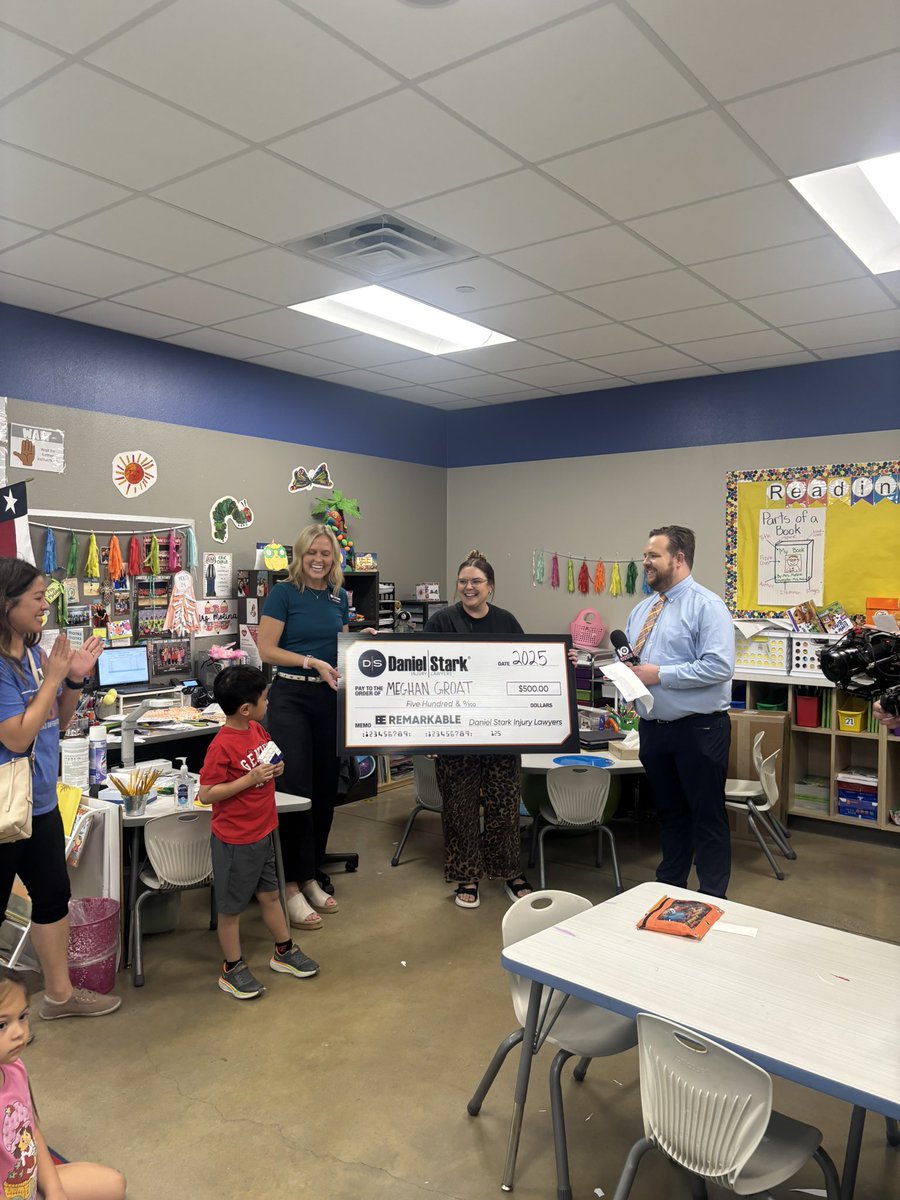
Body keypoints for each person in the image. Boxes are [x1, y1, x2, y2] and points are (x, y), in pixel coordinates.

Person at [0, 559, 121, 1020]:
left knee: (52, 897)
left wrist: (72, 679)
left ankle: (59, 996)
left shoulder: (33, 656)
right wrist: (53, 677)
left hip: (40, 802)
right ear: (6, 602)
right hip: (5, 809)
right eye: (35, 598)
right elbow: (16, 736)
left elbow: (57, 721)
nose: (44, 608)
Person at [624, 526, 735, 898]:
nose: (645, 562)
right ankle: (671, 889)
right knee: (670, 815)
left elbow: (719, 667)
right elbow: (638, 665)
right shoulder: (643, 609)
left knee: (706, 818)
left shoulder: (708, 606)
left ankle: (712, 898)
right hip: (654, 729)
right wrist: (629, 680)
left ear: (679, 558)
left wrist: (660, 675)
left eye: (653, 555)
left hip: (699, 730)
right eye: (645, 555)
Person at [198, 665, 319, 1000]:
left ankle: (284, 950)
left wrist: (276, 767)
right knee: (231, 910)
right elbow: (207, 793)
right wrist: (248, 780)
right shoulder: (222, 746)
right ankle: (232, 968)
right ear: (245, 707)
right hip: (235, 840)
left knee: (270, 896)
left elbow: (269, 757)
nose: (269, 702)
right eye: (265, 698)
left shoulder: (256, 729)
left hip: (264, 832)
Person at [424, 550, 533, 909]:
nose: (468, 587)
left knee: (504, 805)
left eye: (476, 582)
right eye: (463, 581)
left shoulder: (507, 621)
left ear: (491, 587)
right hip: (455, 732)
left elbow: (525, 667)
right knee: (460, 807)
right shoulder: (441, 622)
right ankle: (466, 875)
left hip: (501, 730)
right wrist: (429, 731)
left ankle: (509, 872)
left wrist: (558, 662)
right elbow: (423, 677)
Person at [257, 524, 349, 931]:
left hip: (328, 698)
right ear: (300, 554)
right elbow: (266, 649)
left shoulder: (337, 597)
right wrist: (309, 661)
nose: (319, 559)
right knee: (295, 790)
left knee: (326, 788)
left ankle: (310, 873)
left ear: (334, 558)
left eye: (326, 553)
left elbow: (339, 647)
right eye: (312, 552)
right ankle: (290, 884)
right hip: (291, 697)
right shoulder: (283, 592)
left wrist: (359, 642)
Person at [0, 967, 126, 1199]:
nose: (19, 1032)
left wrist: (55, 1191)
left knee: (113, 1184)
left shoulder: (15, 1069)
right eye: (2, 1025)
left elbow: (32, 1131)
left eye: (22, 1017)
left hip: (26, 1183)